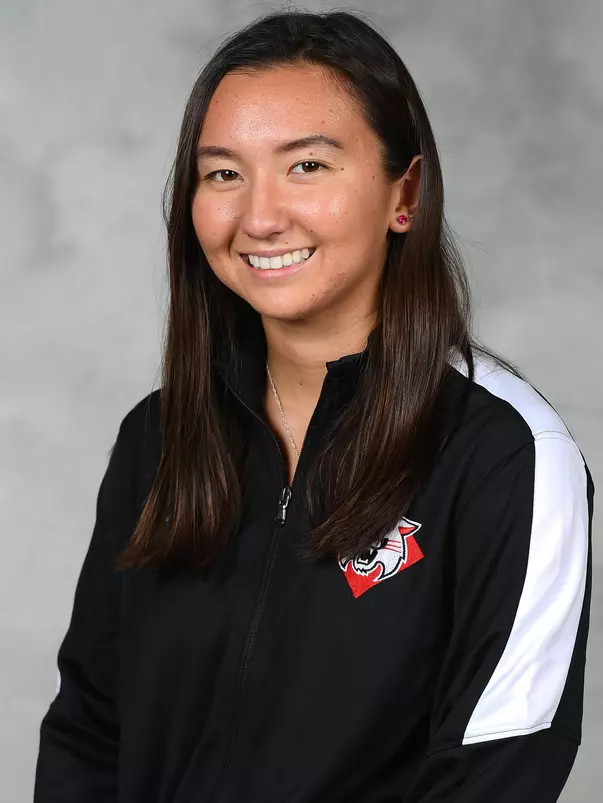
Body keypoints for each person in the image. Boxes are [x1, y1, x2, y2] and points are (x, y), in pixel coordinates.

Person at [34, 9, 593, 803]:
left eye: (306, 166)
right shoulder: (157, 438)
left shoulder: (504, 452)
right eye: (222, 173)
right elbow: (88, 728)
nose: (258, 217)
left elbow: (498, 766)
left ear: (405, 192)